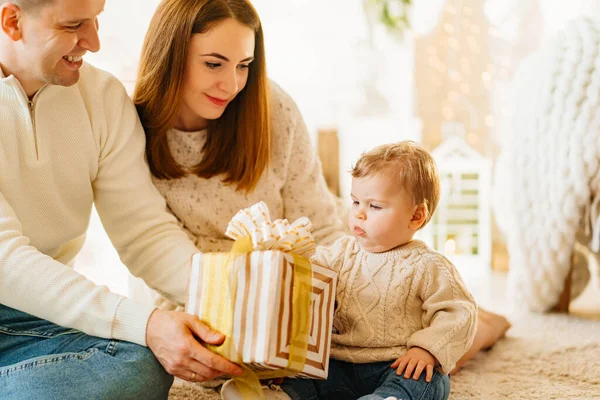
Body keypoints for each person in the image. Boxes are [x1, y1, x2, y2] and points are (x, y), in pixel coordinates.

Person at [133, 0, 510, 397]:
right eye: (214, 64)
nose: (231, 84)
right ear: (171, 54)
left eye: (244, 65)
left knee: (418, 339)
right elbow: (150, 250)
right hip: (203, 288)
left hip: (300, 267)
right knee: (238, 365)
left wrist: (362, 277)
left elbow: (319, 226)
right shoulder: (129, 126)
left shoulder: (270, 107)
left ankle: (485, 326)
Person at [0, 0, 243, 398]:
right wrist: (144, 322)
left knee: (140, 365)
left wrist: (236, 296)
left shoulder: (102, 96)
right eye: (75, 24)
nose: (93, 42)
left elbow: (145, 234)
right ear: (12, 22)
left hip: (38, 322)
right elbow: (5, 261)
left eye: (96, 21)